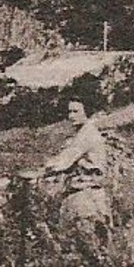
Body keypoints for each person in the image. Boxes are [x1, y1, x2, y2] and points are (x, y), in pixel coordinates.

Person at [42, 100, 112, 238]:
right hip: (88, 189)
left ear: (88, 112)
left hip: (87, 193)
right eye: (69, 112)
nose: (71, 116)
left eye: (76, 111)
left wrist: (43, 169)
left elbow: (64, 161)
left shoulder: (87, 134)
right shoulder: (84, 132)